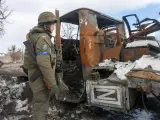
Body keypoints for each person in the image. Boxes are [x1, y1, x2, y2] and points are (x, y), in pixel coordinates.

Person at [23, 11, 58, 120]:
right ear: (46, 25)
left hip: (36, 75)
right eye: (52, 25)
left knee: (39, 105)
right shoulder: (43, 38)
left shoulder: (35, 36)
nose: (53, 28)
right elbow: (44, 63)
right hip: (40, 77)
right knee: (41, 107)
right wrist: (53, 84)